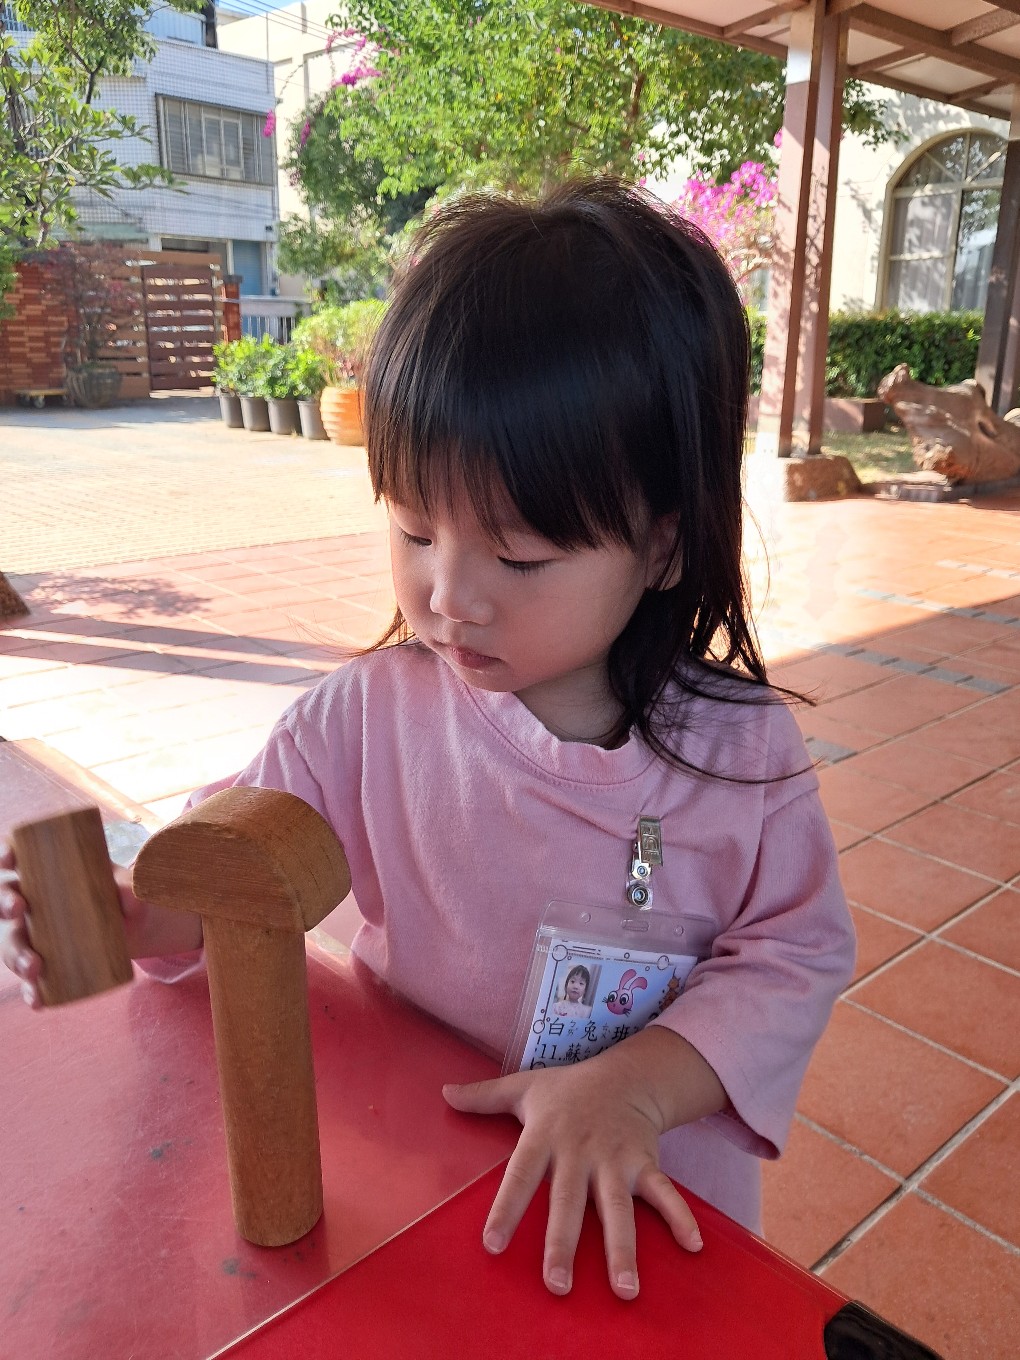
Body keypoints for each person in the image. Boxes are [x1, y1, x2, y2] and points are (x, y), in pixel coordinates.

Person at [0, 179, 855, 1303]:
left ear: (660, 545)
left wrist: (643, 1086)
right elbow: (244, 868)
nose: (448, 596)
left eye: (519, 556)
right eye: (413, 528)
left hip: (631, 1206)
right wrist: (143, 915)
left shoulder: (741, 757)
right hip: (416, 1174)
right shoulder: (364, 718)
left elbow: (793, 953)